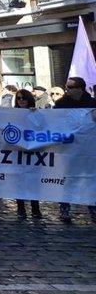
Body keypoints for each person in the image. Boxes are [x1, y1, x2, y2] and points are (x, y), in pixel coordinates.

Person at [53, 77, 96, 224]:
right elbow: (52, 121)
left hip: (89, 149)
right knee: (68, 179)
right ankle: (64, 208)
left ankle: (93, 208)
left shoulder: (93, 103)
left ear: (80, 88)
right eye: (67, 87)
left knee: (91, 179)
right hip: (69, 149)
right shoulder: (60, 104)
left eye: (71, 87)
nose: (67, 90)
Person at [12, 89, 42, 219]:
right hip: (18, 152)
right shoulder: (12, 113)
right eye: (19, 98)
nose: (21, 100)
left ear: (29, 99)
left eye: (24, 98)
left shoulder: (37, 113)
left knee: (33, 181)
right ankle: (20, 208)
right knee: (19, 181)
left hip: (33, 151)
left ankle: (35, 208)